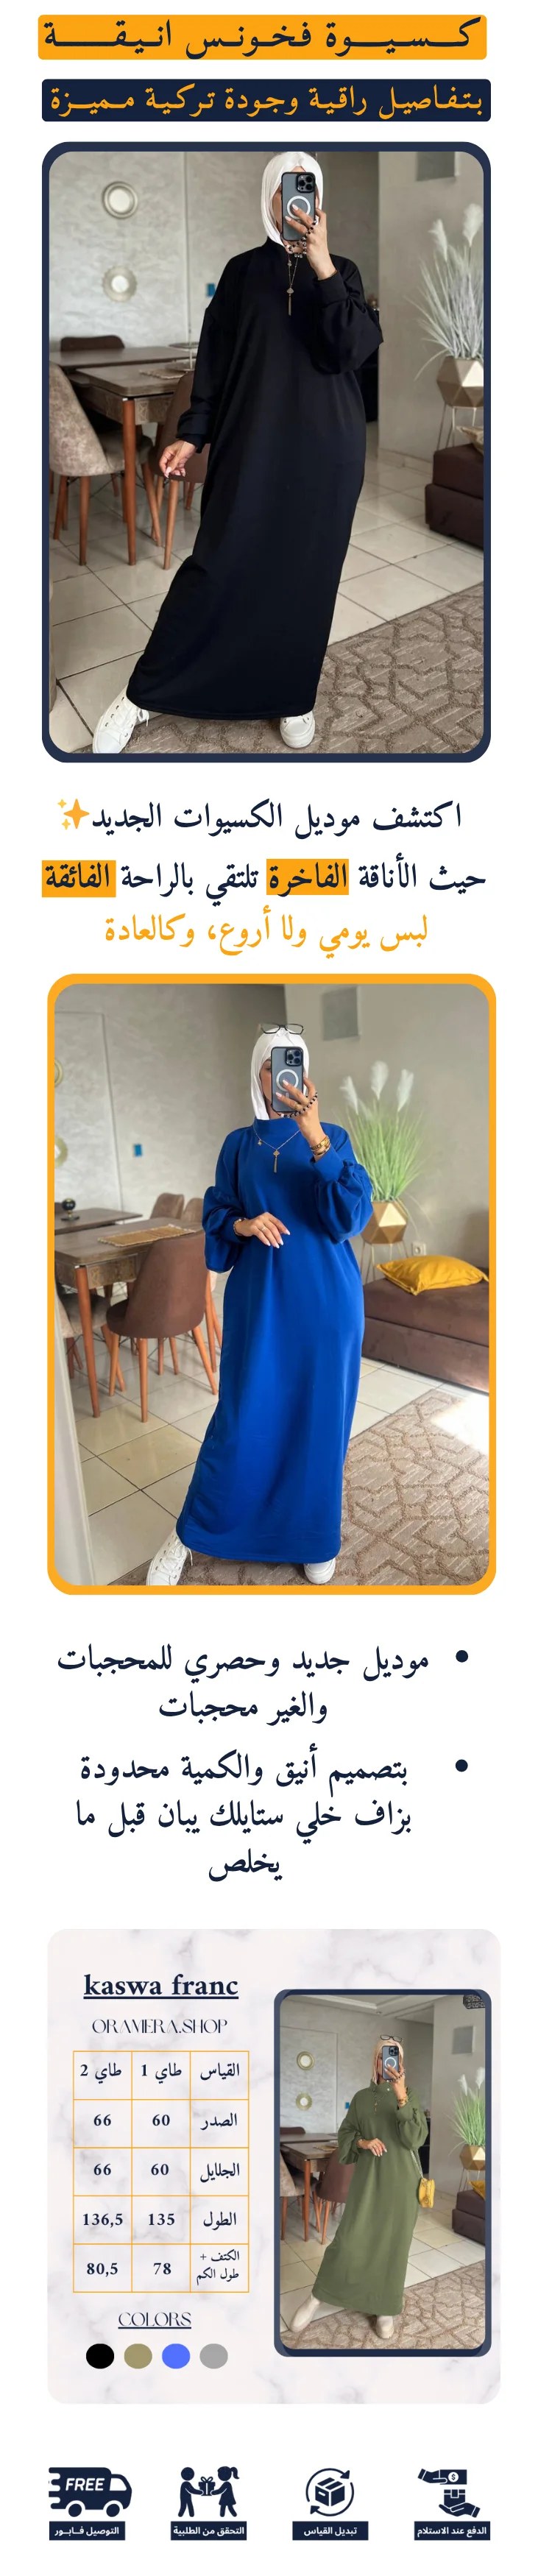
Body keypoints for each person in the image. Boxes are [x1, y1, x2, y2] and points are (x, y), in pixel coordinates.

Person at [93, 152, 382, 756]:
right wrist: (192, 432)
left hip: (327, 455)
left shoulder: (344, 272)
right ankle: (145, 692)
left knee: (306, 578)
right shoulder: (241, 273)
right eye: (289, 190)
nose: (298, 202)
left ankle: (293, 695)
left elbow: (352, 351)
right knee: (217, 566)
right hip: (252, 446)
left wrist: (323, 265)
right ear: (270, 197)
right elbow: (215, 366)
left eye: (309, 190)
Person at [146, 1024, 373, 1586]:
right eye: (274, 1065)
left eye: (294, 1063)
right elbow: (218, 1218)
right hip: (260, 1304)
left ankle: (313, 1536)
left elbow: (350, 1216)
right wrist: (243, 1224)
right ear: (258, 1073)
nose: (285, 1075)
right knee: (241, 1419)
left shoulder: (334, 1137)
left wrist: (315, 1135)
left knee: (319, 1421)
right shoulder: (237, 1145)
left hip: (326, 1307)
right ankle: (192, 1533)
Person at [291, 2039, 428, 2342]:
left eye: (395, 2057)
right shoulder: (362, 2098)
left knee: (393, 2247)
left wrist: (402, 2096)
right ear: (376, 2061)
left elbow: (415, 2139)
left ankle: (384, 2308)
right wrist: (363, 2142)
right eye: (384, 2057)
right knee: (348, 2241)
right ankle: (317, 2297)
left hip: (401, 2186)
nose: (389, 2063)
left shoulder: (411, 2095)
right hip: (368, 2183)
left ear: (401, 2063)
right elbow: (346, 2133)